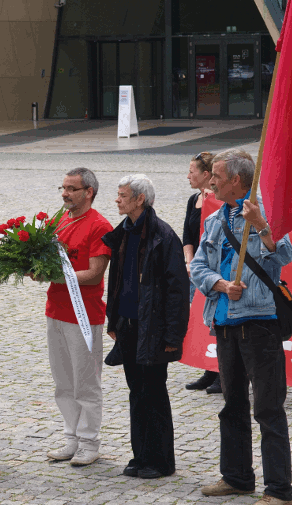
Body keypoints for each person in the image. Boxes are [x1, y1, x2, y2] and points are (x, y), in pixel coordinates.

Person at [190, 149, 292, 505]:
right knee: (231, 405)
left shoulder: (263, 212)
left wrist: (263, 225)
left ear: (236, 180)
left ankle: (278, 490)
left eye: (217, 175)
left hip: (259, 325)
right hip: (224, 324)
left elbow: (284, 256)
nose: (211, 180)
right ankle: (236, 477)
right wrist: (220, 285)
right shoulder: (215, 219)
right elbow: (199, 267)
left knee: (267, 409)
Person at [102, 174, 190, 479]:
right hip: (127, 326)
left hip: (152, 328)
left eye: (122, 195)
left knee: (154, 393)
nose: (117, 199)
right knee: (135, 392)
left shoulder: (163, 236)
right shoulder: (123, 232)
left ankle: (161, 461)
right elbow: (116, 281)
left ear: (140, 199)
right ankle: (140, 456)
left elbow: (178, 291)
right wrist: (113, 319)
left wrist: (173, 335)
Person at [34, 167, 112, 467]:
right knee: (63, 381)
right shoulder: (59, 220)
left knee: (86, 382)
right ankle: (71, 437)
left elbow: (94, 274)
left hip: (84, 315)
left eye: (71, 189)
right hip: (55, 310)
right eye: (62, 188)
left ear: (88, 192)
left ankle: (89, 441)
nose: (64, 193)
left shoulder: (99, 226)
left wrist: (53, 274)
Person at [182, 151, 221, 394]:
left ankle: (223, 373)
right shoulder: (192, 200)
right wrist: (189, 261)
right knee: (200, 320)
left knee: (216, 321)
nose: (187, 176)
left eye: (191, 171)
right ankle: (208, 370)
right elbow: (187, 235)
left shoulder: (220, 200)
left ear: (206, 174)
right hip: (195, 268)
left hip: (213, 270)